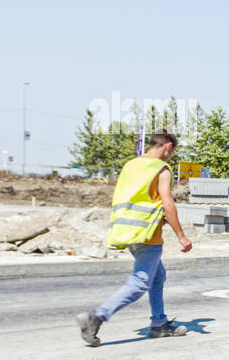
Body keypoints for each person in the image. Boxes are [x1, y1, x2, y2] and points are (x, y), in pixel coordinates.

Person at [76, 130, 193, 346]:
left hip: (129, 232)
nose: (170, 157)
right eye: (172, 152)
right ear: (167, 147)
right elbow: (167, 204)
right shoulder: (161, 168)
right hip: (148, 235)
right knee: (140, 283)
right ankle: (97, 316)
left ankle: (159, 324)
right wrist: (181, 236)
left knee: (158, 276)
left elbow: (136, 199)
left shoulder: (130, 165)